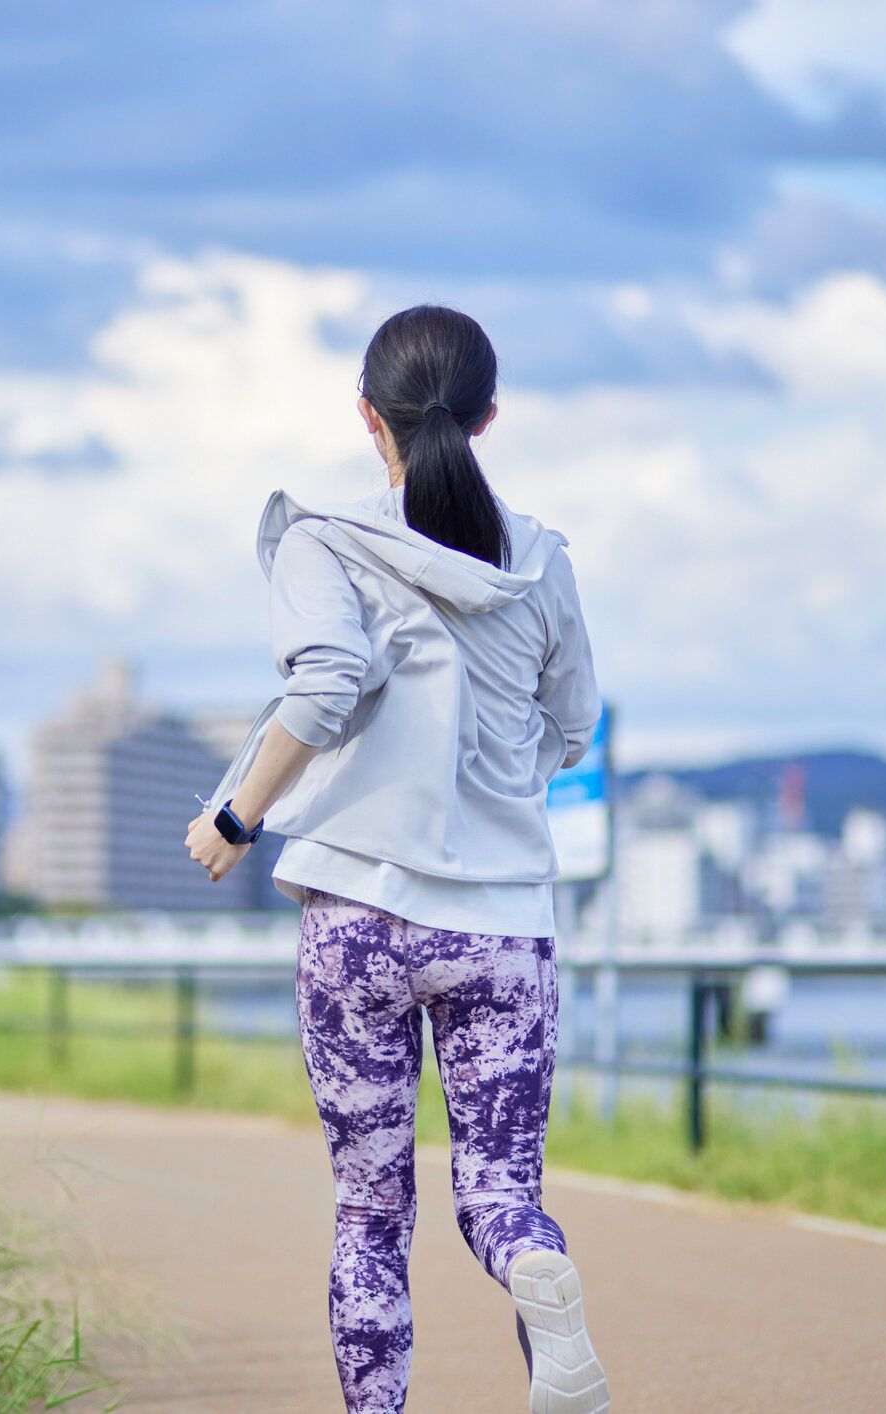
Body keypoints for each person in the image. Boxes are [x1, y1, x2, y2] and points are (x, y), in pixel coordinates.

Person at [185, 305, 608, 1414]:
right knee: (499, 1194)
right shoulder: (542, 561)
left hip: (357, 920)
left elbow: (323, 682)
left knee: (371, 1213)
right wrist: (498, 781)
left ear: (365, 415)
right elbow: (573, 725)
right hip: (503, 925)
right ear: (488, 417)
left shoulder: (325, 543)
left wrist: (234, 817)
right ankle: (531, 1271)